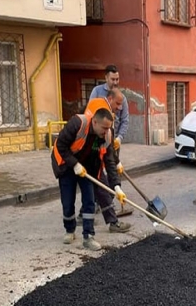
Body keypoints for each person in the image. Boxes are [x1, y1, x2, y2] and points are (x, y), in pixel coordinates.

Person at [51, 108, 127, 251]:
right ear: (95, 122)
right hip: (66, 165)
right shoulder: (77, 123)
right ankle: (70, 230)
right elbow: (60, 145)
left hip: (87, 168)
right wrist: (74, 164)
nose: (106, 131)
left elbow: (109, 160)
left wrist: (116, 187)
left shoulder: (106, 135)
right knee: (67, 202)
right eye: (104, 128)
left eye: (108, 128)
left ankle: (88, 236)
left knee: (89, 201)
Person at [76, 87, 132, 233]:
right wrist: (113, 160)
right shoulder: (102, 110)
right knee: (101, 188)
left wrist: (116, 161)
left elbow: (107, 146)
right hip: (88, 156)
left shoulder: (102, 106)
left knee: (103, 188)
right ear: (111, 99)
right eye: (118, 104)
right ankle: (110, 222)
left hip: (94, 155)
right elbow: (103, 143)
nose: (119, 108)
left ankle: (104, 219)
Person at [90, 64, 130, 144]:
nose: (115, 82)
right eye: (113, 79)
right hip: (97, 138)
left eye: (117, 79)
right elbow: (91, 113)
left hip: (113, 139)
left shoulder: (122, 98)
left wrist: (119, 138)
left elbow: (125, 120)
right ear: (106, 78)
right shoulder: (97, 91)